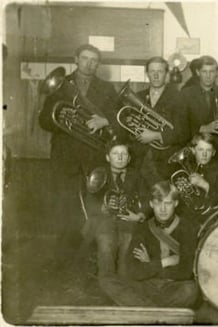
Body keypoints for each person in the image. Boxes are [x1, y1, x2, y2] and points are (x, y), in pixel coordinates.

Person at [39, 44, 119, 263]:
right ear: (76, 59)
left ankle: (93, 253)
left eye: (94, 60)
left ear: (98, 63)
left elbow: (116, 119)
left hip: (94, 155)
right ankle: (64, 254)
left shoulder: (107, 88)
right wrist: (64, 119)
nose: (89, 63)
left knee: (95, 204)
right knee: (65, 205)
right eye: (85, 58)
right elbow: (44, 120)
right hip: (65, 155)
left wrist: (104, 121)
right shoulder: (60, 86)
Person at [99, 181, 199, 307]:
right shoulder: (143, 228)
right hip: (147, 286)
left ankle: (144, 309)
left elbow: (185, 271)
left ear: (176, 203)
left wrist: (149, 264)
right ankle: (157, 312)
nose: (162, 209)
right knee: (107, 281)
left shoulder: (187, 227)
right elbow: (133, 270)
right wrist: (165, 262)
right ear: (151, 204)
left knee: (191, 290)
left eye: (167, 203)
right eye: (158, 203)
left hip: (173, 287)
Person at [82, 141, 150, 277]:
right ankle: (107, 282)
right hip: (103, 221)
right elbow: (89, 202)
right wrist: (103, 208)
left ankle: (123, 283)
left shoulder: (136, 175)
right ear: (108, 157)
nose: (120, 157)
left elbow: (147, 198)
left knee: (127, 243)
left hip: (129, 221)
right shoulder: (100, 174)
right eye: (115, 154)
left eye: (124, 154)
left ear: (129, 158)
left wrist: (140, 215)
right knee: (106, 243)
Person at [132, 56, 189, 185]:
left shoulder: (179, 97)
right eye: (152, 71)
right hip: (139, 159)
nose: (156, 75)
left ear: (167, 74)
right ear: (147, 74)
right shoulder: (137, 97)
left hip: (165, 161)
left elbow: (184, 131)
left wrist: (156, 135)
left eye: (160, 71)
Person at [180, 55, 218, 163]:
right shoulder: (185, 94)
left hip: (217, 152)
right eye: (204, 71)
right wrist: (202, 128)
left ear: (216, 73)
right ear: (198, 72)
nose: (208, 76)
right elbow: (179, 124)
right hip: (192, 151)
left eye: (212, 72)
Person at [171, 132, 218, 223]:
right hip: (186, 218)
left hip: (210, 219)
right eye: (200, 149)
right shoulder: (186, 168)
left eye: (208, 150)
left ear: (214, 153)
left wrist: (204, 184)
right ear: (193, 150)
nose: (204, 154)